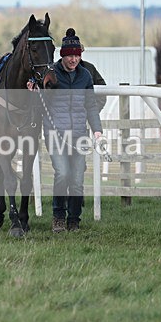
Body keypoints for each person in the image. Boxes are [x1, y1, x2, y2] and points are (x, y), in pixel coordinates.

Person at [36, 28, 103, 232]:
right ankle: (58, 217)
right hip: (56, 135)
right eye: (70, 55)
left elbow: (91, 105)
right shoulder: (52, 75)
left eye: (76, 55)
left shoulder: (85, 76)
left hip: (79, 136)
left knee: (77, 180)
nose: (73, 59)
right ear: (62, 56)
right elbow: (40, 100)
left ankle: (74, 219)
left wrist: (97, 131)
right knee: (63, 174)